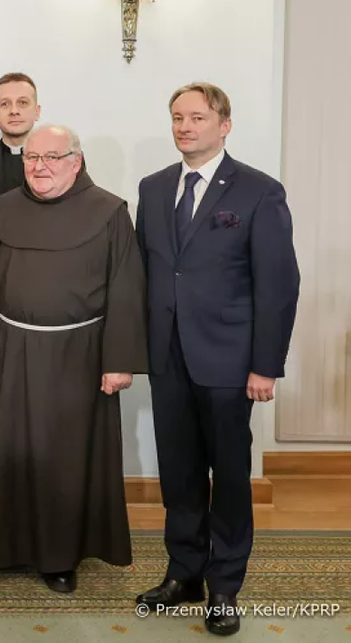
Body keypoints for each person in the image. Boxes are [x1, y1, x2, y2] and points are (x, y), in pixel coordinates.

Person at [0, 124, 147, 593]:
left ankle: (59, 555)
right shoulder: (2, 208)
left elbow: (126, 287)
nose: (39, 167)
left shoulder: (109, 211)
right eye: (31, 158)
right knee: (5, 450)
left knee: (63, 457)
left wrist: (118, 359)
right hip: (9, 348)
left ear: (75, 161)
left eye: (51, 158)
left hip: (77, 354)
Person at [134, 83, 299, 636]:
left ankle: (225, 586)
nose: (185, 127)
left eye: (197, 118)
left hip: (231, 362)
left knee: (227, 476)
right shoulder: (153, 188)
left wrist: (266, 365)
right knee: (179, 474)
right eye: (177, 117)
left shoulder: (258, 191)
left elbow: (278, 286)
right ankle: (185, 572)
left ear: (224, 124)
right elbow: (149, 275)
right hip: (168, 357)